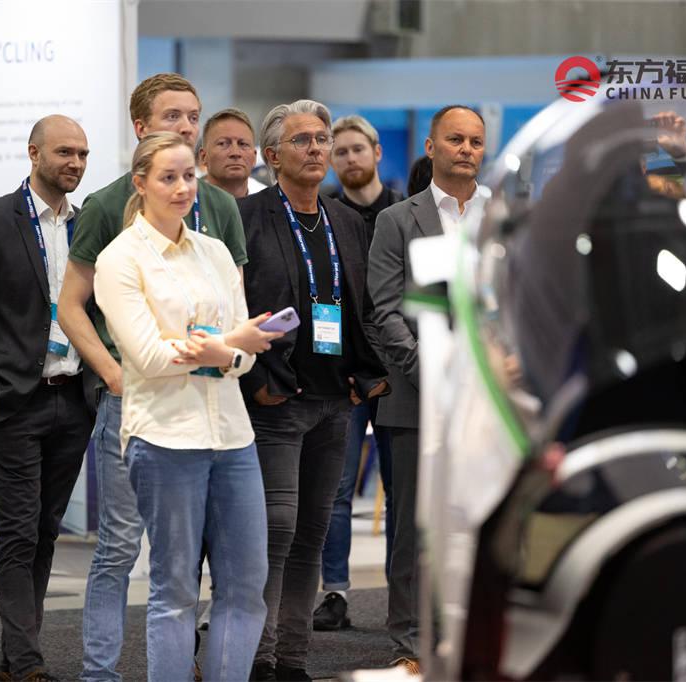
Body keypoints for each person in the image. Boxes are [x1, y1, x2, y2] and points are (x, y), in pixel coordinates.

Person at [56, 73, 248, 682]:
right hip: (139, 398)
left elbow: (237, 314)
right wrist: (114, 372)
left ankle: (189, 666)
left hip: (215, 403)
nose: (187, 127)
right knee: (120, 547)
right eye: (172, 116)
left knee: (207, 563)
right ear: (141, 128)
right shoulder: (107, 205)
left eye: (193, 116)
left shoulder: (218, 206)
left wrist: (230, 351)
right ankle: (100, 672)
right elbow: (70, 305)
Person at [93, 130, 277, 682]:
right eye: (167, 178)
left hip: (234, 436)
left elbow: (246, 356)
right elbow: (148, 357)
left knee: (245, 588)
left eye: (188, 176)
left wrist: (225, 352)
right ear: (140, 183)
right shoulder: (119, 259)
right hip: (164, 438)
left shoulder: (215, 251)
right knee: (174, 592)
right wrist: (226, 347)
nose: (182, 188)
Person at [238, 99, 388, 681]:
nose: (317, 148)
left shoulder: (345, 220)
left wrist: (365, 376)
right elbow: (233, 307)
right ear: (272, 155)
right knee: (275, 532)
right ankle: (258, 656)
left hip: (335, 402)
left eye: (321, 138)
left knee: (311, 535)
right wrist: (258, 382)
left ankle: (292, 659)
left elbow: (362, 307)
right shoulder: (248, 217)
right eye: (302, 140)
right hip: (277, 399)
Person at [0, 115, 94, 682]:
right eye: (64, 152)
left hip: (73, 400)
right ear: (34, 153)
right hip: (12, 402)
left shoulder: (86, 225)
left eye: (82, 154)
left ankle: (16, 658)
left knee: (46, 531)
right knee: (17, 532)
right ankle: (28, 663)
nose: (75, 163)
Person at [368, 105, 488, 675]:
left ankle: (474, 635)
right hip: (419, 398)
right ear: (432, 148)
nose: (466, 149)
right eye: (455, 139)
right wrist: (435, 375)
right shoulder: (398, 219)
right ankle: (410, 642)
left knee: (482, 527)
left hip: (490, 403)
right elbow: (385, 311)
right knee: (415, 531)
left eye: (475, 141)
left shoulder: (501, 216)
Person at [313, 114, 404, 632]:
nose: (349, 158)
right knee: (336, 488)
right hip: (343, 372)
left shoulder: (406, 213)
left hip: (397, 371)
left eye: (357, 149)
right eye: (340, 151)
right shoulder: (322, 215)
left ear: (376, 152)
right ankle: (335, 593)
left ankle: (401, 594)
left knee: (400, 489)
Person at [199, 108, 266, 198]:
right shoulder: (185, 202)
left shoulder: (272, 203)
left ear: (254, 158)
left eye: (243, 144)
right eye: (223, 144)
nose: (235, 153)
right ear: (203, 156)